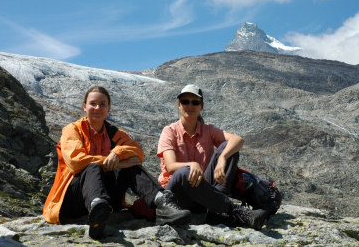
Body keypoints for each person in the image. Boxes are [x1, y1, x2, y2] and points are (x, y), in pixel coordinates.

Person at [43, 86, 191, 239]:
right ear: (84, 106)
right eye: (93, 103)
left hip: (108, 202)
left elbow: (138, 152)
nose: (97, 108)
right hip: (74, 200)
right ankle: (97, 209)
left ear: (109, 108)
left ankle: (162, 204)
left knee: (132, 167)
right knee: (93, 167)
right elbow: (76, 162)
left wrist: (117, 153)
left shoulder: (114, 133)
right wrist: (119, 162)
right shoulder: (72, 130)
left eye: (102, 104)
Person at [156, 84, 268, 230]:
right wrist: (192, 165)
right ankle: (234, 211)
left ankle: (216, 208)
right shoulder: (169, 131)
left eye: (195, 102)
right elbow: (171, 167)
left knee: (228, 148)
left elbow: (238, 140)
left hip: (204, 191)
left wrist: (222, 158)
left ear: (201, 106)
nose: (190, 105)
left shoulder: (207, 130)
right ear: (179, 105)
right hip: (177, 194)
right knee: (185, 172)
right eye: (185, 102)